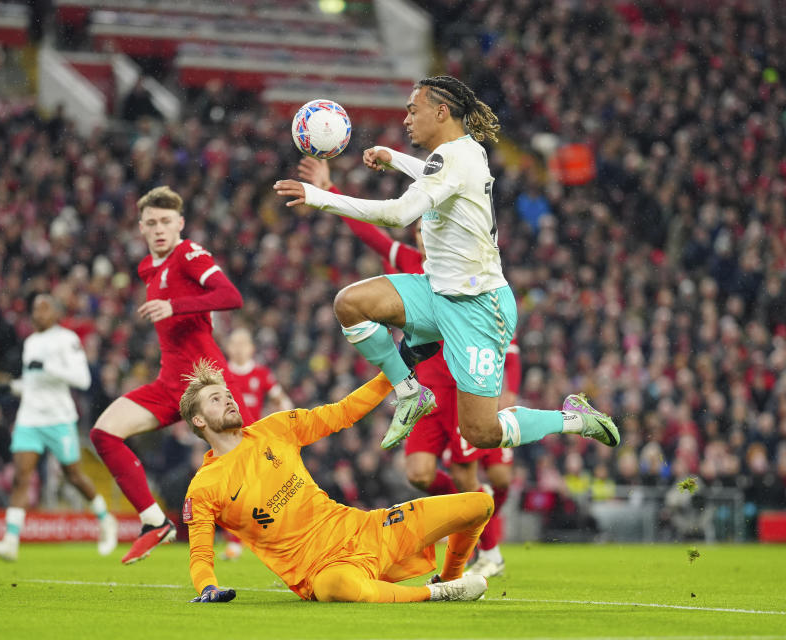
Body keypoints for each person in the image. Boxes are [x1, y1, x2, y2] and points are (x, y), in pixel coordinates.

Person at [274, 75, 619, 456]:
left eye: (412, 110)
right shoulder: (462, 152)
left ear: (441, 112)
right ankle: (410, 393)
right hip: (438, 292)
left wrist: (320, 197)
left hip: (479, 308)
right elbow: (437, 175)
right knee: (349, 304)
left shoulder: (456, 157)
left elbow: (400, 214)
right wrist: (397, 159)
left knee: (482, 432)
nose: (406, 119)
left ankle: (575, 418)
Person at [298, 156, 515, 578]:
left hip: (460, 383)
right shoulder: (406, 261)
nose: (421, 234)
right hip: (425, 385)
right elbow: (367, 232)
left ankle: (483, 551)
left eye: (425, 227)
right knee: (419, 475)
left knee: (465, 472)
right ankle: (469, 527)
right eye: (417, 229)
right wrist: (329, 191)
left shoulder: (467, 270)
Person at [181, 360, 492, 603]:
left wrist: (391, 375)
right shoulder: (205, 487)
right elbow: (201, 553)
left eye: (228, 395)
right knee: (337, 586)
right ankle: (436, 595)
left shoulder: (274, 428)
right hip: (321, 570)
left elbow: (341, 413)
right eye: (215, 399)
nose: (228, 400)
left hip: (366, 529)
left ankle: (450, 579)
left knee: (479, 504)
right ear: (199, 420)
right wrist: (208, 587)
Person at [89, 186, 253, 565]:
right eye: (151, 223)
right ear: (141, 228)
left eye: (166, 221)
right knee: (103, 433)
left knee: (248, 470)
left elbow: (230, 296)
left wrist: (174, 306)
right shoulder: (149, 268)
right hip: (170, 384)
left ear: (180, 223)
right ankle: (153, 521)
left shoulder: (188, 254)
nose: (159, 228)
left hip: (205, 379)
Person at [0, 294, 117, 561]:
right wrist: (13, 387)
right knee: (21, 476)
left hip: (59, 418)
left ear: (56, 313)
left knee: (73, 475)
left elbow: (82, 379)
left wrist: (49, 366)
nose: (37, 313)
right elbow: (34, 382)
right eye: (34, 309)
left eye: (43, 308)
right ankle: (10, 541)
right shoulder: (31, 342)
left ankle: (105, 519)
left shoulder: (67, 340)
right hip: (30, 417)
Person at [220, 326, 293, 560]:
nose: (239, 349)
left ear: (251, 348)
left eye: (244, 344)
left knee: (259, 491)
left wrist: (290, 422)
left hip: (253, 439)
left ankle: (273, 537)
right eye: (235, 343)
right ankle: (235, 542)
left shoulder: (261, 374)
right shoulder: (220, 375)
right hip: (225, 440)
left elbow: (281, 399)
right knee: (230, 492)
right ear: (228, 348)